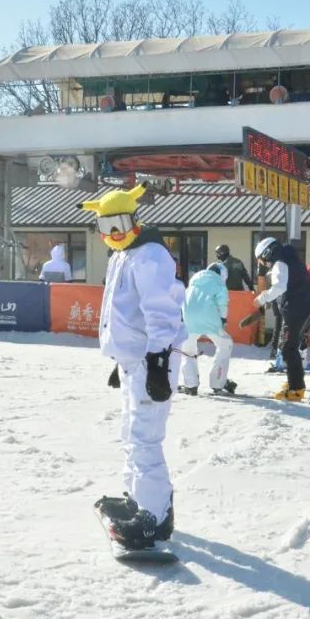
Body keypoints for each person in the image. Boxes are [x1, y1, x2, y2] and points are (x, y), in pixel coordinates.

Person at [82, 183, 185, 550]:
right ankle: (139, 498)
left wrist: (157, 361)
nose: (114, 234)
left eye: (120, 224)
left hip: (150, 361)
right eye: (106, 228)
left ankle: (153, 516)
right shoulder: (121, 256)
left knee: (145, 437)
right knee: (130, 433)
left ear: (135, 219)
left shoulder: (150, 255)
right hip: (133, 361)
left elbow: (161, 312)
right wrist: (119, 355)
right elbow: (121, 314)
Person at [253, 236, 310, 401]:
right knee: (290, 347)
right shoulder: (291, 259)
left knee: (288, 349)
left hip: (296, 311)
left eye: (262, 260)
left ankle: (296, 389)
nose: (264, 264)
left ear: (267, 253)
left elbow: (279, 287)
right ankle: (294, 382)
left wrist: (262, 298)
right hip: (305, 309)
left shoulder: (280, 263)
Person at [180, 262, 236, 396]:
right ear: (222, 274)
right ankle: (217, 382)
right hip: (210, 319)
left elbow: (185, 299)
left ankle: (190, 384)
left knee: (188, 350)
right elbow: (222, 303)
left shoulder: (193, 281)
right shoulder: (218, 282)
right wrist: (223, 319)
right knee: (225, 344)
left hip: (189, 318)